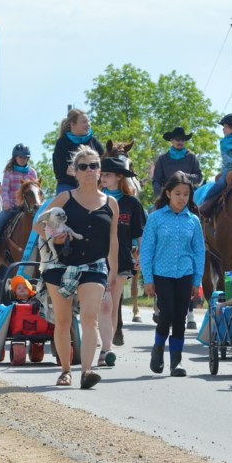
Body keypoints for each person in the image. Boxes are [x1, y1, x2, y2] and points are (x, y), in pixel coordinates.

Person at [34, 145, 118, 389]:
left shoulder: (111, 203)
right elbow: (37, 225)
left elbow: (113, 239)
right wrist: (54, 234)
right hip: (60, 265)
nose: (89, 170)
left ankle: (87, 371)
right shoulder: (64, 198)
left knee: (90, 318)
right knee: (63, 321)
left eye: (94, 166)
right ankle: (65, 370)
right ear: (75, 172)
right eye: (84, 167)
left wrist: (113, 270)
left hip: (94, 266)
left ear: (100, 170)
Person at [140, 172, 205, 378]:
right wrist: (148, 279)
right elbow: (147, 250)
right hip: (162, 274)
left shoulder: (193, 220)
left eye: (186, 194)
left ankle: (175, 363)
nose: (182, 198)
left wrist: (197, 280)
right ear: (168, 193)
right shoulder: (155, 218)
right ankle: (158, 348)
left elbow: (199, 251)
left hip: (185, 274)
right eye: (177, 193)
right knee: (166, 314)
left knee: (180, 318)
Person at [97, 156, 146, 368]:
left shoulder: (132, 203)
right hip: (94, 260)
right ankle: (98, 342)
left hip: (122, 260)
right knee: (100, 306)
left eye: (107, 174)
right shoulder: (94, 198)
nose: (103, 178)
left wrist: (141, 257)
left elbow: (140, 234)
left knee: (112, 306)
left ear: (119, 177)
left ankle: (106, 349)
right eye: (102, 174)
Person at [0, 143, 40, 266]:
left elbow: (36, 190)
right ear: (15, 158)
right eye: (20, 157)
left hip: (30, 208)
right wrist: (7, 203)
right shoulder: (9, 172)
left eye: (25, 158)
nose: (23, 160)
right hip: (12, 207)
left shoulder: (32, 172)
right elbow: (5, 190)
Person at [198, 114, 232, 219]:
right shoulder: (223, 142)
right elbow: (225, 157)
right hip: (228, 171)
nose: (223, 129)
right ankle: (204, 205)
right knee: (220, 184)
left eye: (226, 126)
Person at [53, 109, 105, 195]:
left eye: (88, 121)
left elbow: (104, 163)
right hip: (69, 185)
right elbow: (68, 170)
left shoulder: (94, 142)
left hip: (94, 185)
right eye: (84, 122)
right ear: (73, 124)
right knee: (60, 206)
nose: (88, 124)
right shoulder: (62, 143)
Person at [152, 126, 203, 196]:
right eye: (177, 139)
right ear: (171, 140)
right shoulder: (162, 159)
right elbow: (156, 181)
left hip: (189, 195)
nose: (180, 142)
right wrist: (160, 197)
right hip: (168, 196)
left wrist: (185, 175)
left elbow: (199, 177)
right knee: (152, 207)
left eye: (182, 139)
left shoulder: (192, 157)